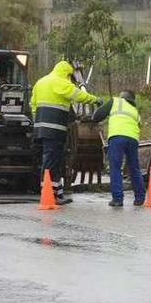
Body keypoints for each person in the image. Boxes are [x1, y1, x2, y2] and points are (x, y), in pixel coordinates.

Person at [30, 61, 102, 205]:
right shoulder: (61, 82)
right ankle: (49, 195)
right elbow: (79, 96)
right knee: (51, 162)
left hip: (41, 129)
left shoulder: (41, 82)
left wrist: (38, 122)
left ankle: (59, 193)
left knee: (54, 161)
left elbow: (33, 104)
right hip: (54, 129)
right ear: (67, 73)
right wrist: (95, 100)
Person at [92, 90, 146, 207]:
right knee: (134, 168)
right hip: (133, 139)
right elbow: (139, 125)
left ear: (122, 96)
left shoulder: (115, 101)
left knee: (115, 167)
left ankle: (117, 199)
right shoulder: (135, 111)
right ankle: (140, 198)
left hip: (117, 137)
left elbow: (96, 117)